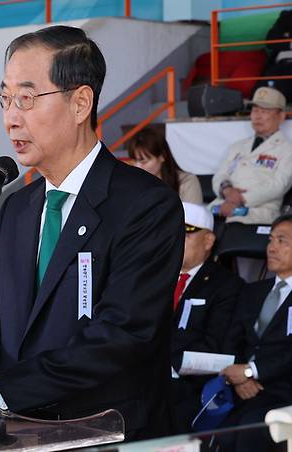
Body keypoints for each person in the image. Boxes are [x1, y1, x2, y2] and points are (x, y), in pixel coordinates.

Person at [0, 25, 185, 441]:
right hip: (20, 434)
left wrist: (0, 390)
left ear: (80, 102)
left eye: (27, 99)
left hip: (107, 434)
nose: (11, 117)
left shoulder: (145, 205)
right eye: (5, 99)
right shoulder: (17, 208)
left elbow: (120, 337)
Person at [218, 213, 292, 452]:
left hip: (283, 391)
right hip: (243, 389)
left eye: (283, 241)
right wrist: (238, 376)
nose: (272, 248)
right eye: (271, 240)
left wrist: (251, 371)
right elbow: (232, 338)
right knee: (217, 436)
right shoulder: (253, 291)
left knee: (249, 434)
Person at [170, 202, 243, 433]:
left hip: (189, 382)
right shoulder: (154, 276)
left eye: (186, 233)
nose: (176, 239)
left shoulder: (226, 285)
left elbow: (215, 344)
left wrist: (165, 361)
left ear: (208, 241)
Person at [210, 86, 292, 224]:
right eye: (255, 110)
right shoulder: (237, 146)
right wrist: (227, 190)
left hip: (258, 212)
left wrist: (240, 199)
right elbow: (220, 175)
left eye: (265, 111)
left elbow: (278, 185)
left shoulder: (287, 150)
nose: (258, 116)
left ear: (281, 116)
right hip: (222, 204)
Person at [127, 126, 202, 203]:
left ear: (162, 156)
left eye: (143, 161)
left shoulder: (186, 182)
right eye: (134, 161)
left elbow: (193, 214)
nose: (137, 166)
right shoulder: (133, 184)